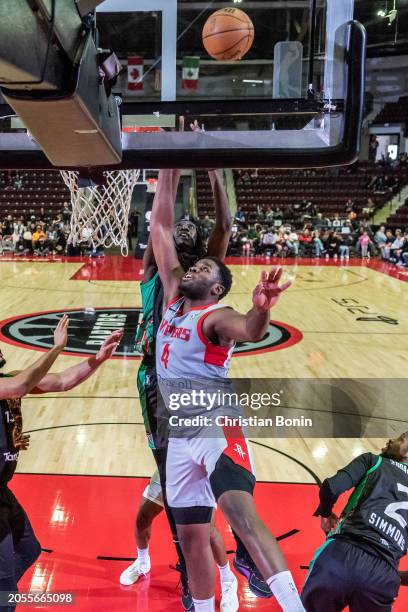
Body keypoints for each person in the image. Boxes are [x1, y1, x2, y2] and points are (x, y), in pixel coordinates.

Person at [150, 168, 305, 612]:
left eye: (201, 267)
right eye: (191, 264)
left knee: (239, 512)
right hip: (180, 433)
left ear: (215, 287)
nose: (192, 266)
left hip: (216, 423)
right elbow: (160, 226)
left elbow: (250, 331)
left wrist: (262, 310)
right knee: (192, 535)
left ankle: (294, 606)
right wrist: (167, 165)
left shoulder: (217, 316)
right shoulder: (173, 299)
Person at [123, 151, 267, 608]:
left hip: (188, 391)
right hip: (153, 381)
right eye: (177, 227)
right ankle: (213, 566)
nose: (182, 227)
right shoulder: (159, 270)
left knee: (188, 491)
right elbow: (160, 224)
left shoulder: (198, 277)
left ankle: (217, 570)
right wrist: (171, 158)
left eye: (192, 228)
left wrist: (212, 168)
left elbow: (223, 226)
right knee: (173, 486)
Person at [0, 318, 122, 612]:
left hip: (2, 491)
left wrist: (98, 358)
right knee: (5, 591)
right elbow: (20, 385)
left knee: (29, 549)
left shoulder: (9, 382)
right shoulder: (11, 385)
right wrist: (57, 348)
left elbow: (63, 380)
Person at [302, 432, 408, 611]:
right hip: (383, 576)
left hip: (341, 554)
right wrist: (388, 573)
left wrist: (326, 514)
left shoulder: (374, 461)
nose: (390, 439)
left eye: (401, 437)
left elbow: (331, 487)